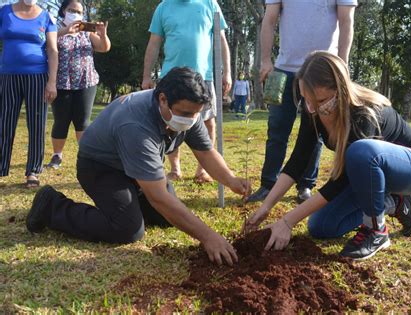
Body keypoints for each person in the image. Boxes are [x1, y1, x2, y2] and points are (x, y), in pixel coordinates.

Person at [27, 67, 251, 266]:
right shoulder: (136, 125)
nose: (191, 120)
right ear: (163, 99)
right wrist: (209, 237)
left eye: (196, 114)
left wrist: (230, 180)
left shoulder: (186, 110)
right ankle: (52, 206)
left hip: (134, 166)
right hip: (100, 166)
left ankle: (127, 202)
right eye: (185, 113)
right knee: (128, 229)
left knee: (165, 217)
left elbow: (205, 151)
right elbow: (159, 197)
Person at [244, 51, 411, 260]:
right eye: (307, 101)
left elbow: (340, 180)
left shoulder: (364, 114)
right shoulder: (314, 110)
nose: (313, 109)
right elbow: (297, 162)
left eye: (321, 101)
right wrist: (266, 206)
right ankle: (395, 203)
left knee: (361, 151)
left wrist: (288, 221)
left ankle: (376, 231)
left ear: (340, 89)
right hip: (371, 177)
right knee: (320, 226)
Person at [246, 0, 357, 203]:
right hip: (284, 70)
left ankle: (305, 185)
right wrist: (265, 60)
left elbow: (346, 21)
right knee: (277, 129)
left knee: (316, 131)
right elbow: (269, 19)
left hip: (322, 71)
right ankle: (268, 184)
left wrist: (341, 65)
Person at [141, 0, 232, 184]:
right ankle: (175, 169)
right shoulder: (164, 7)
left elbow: (221, 39)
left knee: (208, 123)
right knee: (169, 123)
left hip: (203, 76)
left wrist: (227, 72)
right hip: (172, 76)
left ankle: (203, 171)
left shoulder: (210, 4)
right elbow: (154, 43)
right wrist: (146, 76)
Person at [45, 0, 110, 169]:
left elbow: (104, 48)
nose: (76, 14)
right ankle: (57, 156)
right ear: (63, 11)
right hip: (61, 83)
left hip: (86, 81)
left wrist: (103, 34)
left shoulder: (85, 31)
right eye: (72, 10)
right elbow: (45, 44)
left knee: (82, 121)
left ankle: (86, 156)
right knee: (61, 121)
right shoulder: (54, 27)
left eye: (80, 12)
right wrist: (66, 31)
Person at [0, 0, 58, 187]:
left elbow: (52, 49)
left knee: (37, 124)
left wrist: (52, 82)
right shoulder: (4, 12)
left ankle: (33, 171)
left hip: (38, 76)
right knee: (4, 123)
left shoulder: (46, 16)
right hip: (8, 75)